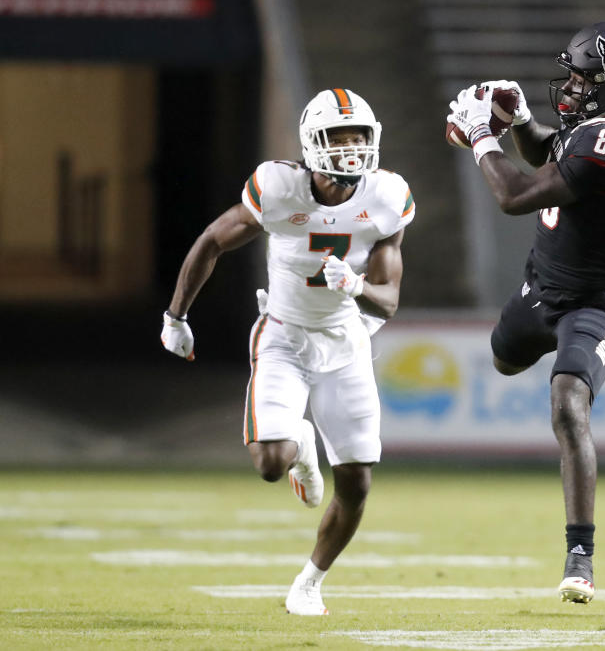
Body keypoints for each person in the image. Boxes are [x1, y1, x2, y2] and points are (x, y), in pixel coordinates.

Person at [160, 88, 415, 616]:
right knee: (271, 463)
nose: (351, 149)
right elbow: (212, 240)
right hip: (283, 333)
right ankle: (299, 442)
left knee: (358, 481)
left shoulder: (387, 196)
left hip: (347, 341)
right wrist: (176, 315)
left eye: (359, 138)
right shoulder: (278, 187)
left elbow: (388, 301)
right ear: (312, 143)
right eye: (339, 138)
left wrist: (357, 287)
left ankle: (309, 583)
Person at [446, 21, 605, 604]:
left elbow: (515, 196)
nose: (570, 84)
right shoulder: (590, 132)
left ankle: (580, 556)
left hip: (595, 301)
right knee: (504, 359)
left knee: (568, 402)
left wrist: (481, 136)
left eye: (583, 77)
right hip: (540, 289)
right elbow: (552, 152)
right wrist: (515, 124)